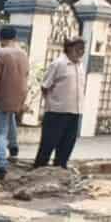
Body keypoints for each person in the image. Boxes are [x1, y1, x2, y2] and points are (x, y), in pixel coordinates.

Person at [0, 26, 30, 180]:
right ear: (15, 38)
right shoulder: (23, 54)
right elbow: (26, 76)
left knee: (1, 131)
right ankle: (14, 148)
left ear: (0, 38)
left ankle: (1, 165)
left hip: (3, 95)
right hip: (19, 95)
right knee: (11, 119)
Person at [35, 37, 87, 169]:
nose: (81, 52)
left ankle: (60, 167)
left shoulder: (80, 65)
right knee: (49, 143)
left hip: (75, 111)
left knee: (68, 142)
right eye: (78, 48)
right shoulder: (58, 64)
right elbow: (45, 86)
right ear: (69, 48)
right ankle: (39, 168)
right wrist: (52, 103)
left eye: (83, 49)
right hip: (56, 112)